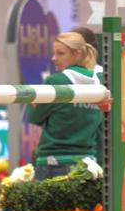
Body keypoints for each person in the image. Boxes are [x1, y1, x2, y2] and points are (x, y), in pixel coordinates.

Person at [27, 31, 103, 180]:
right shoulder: (100, 82)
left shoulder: (55, 81)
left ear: (78, 54)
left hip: (53, 164)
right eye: (54, 53)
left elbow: (34, 117)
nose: (54, 58)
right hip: (89, 166)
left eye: (60, 53)